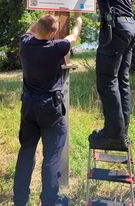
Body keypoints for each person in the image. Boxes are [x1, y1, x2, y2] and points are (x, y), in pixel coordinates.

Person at [28, 0, 135, 150]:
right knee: (122, 81)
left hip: (114, 29)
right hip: (131, 28)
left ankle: (113, 135)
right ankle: (121, 131)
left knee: (107, 80)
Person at [13, 13, 82, 206]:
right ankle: (50, 201)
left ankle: (20, 200)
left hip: (28, 107)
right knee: (51, 156)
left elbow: (30, 30)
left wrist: (44, 18)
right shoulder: (55, 48)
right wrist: (78, 21)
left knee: (26, 152)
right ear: (52, 34)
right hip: (50, 109)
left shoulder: (25, 44)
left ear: (37, 27)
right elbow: (73, 37)